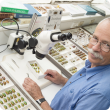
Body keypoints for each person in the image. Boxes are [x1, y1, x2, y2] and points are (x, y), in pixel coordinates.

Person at [22, 17, 110, 110]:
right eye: (95, 38)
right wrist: (63, 80)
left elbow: (91, 94)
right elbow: (82, 93)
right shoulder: (95, 64)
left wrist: (39, 98)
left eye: (106, 44)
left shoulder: (99, 94)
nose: (95, 48)